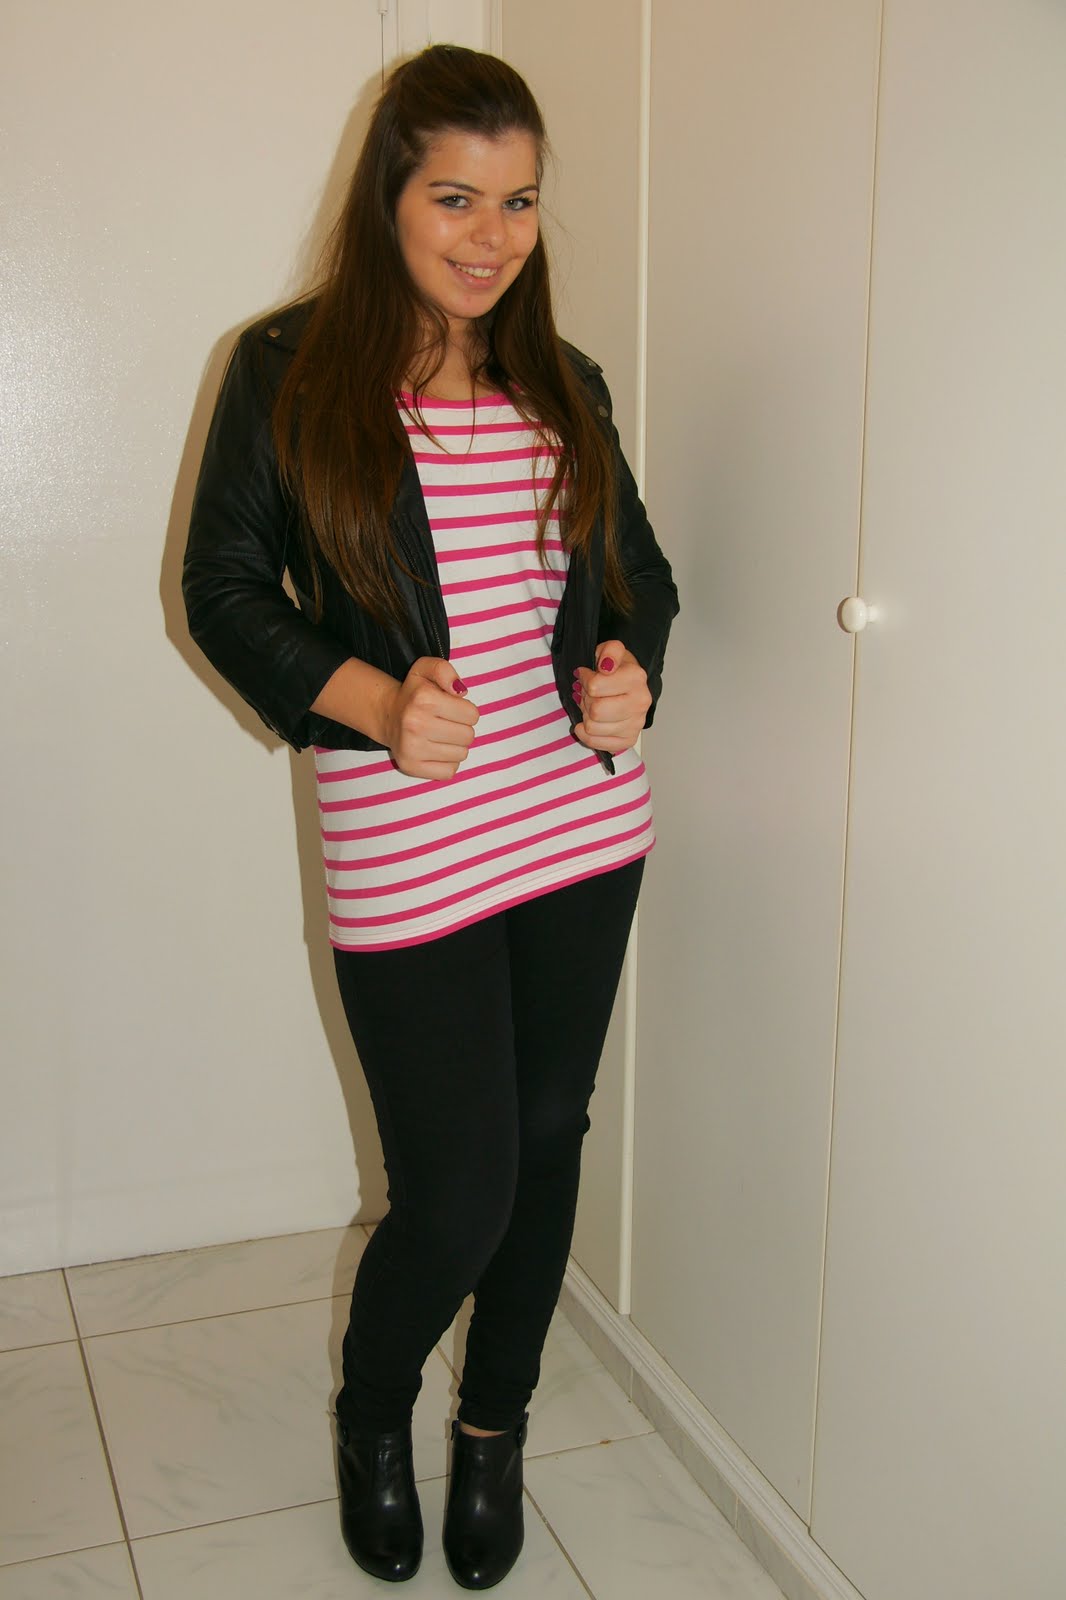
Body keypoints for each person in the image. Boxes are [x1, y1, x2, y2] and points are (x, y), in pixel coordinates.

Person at [183, 43, 677, 1591]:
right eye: (454, 197)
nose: (490, 235)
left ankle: (493, 1427)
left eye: (517, 201)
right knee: (456, 1192)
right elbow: (221, 588)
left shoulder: (562, 378)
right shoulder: (284, 369)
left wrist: (627, 676)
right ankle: (372, 1411)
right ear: (387, 194)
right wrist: (375, 700)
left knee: (544, 1145)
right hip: (410, 837)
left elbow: (639, 580)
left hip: (579, 829)